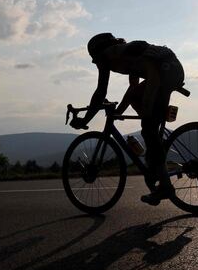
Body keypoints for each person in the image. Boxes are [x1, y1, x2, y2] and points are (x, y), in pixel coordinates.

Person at [71, 32, 185, 206]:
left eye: (94, 58)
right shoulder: (124, 53)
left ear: (98, 52)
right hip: (169, 68)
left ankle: (165, 187)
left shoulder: (112, 54)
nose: (95, 62)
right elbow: (133, 89)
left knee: (147, 125)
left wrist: (85, 120)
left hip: (162, 71)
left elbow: (101, 91)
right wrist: (117, 112)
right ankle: (155, 152)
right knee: (148, 122)